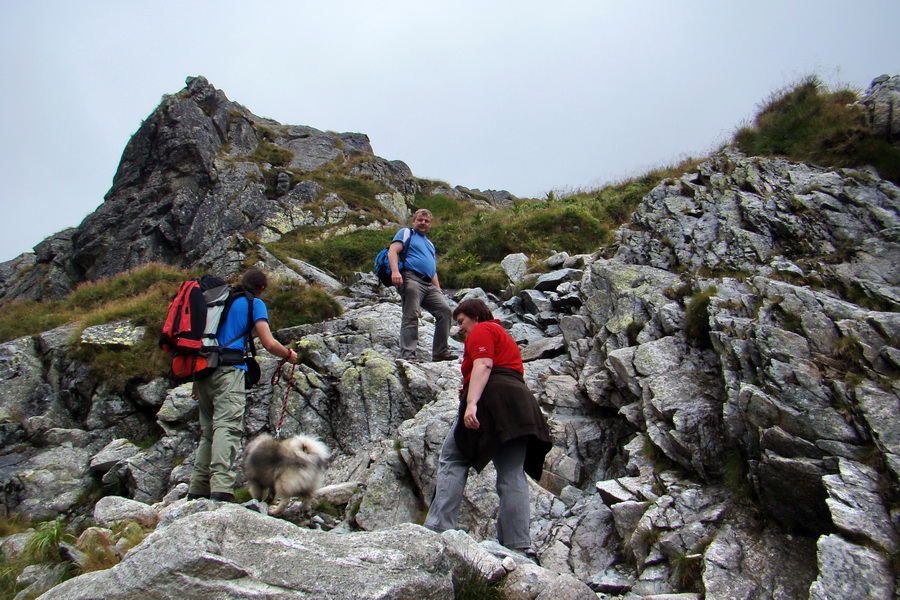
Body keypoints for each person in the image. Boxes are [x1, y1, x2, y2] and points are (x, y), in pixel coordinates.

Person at [424, 298, 552, 552]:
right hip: (519, 405)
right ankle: (516, 544)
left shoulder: (482, 329)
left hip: (491, 399)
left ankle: (438, 528)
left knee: (453, 458)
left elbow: (483, 363)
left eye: (461, 322)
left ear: (475, 316)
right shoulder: (502, 334)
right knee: (512, 473)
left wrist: (471, 404)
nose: (459, 329)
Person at [187, 268, 299, 502]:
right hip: (229, 371)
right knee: (227, 427)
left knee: (208, 432)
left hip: (203, 371)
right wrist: (288, 354)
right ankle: (221, 488)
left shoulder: (220, 300)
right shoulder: (254, 303)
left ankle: (197, 487)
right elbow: (268, 343)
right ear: (261, 289)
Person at [387, 208, 455, 362]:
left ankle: (440, 352)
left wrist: (438, 289)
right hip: (411, 278)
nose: (423, 223)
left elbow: (432, 269)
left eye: (426, 221)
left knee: (445, 310)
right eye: (420, 220)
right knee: (411, 315)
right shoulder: (406, 233)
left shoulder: (430, 244)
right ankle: (408, 355)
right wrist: (395, 272)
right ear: (414, 221)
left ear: (430, 224)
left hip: (428, 283)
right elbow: (392, 251)